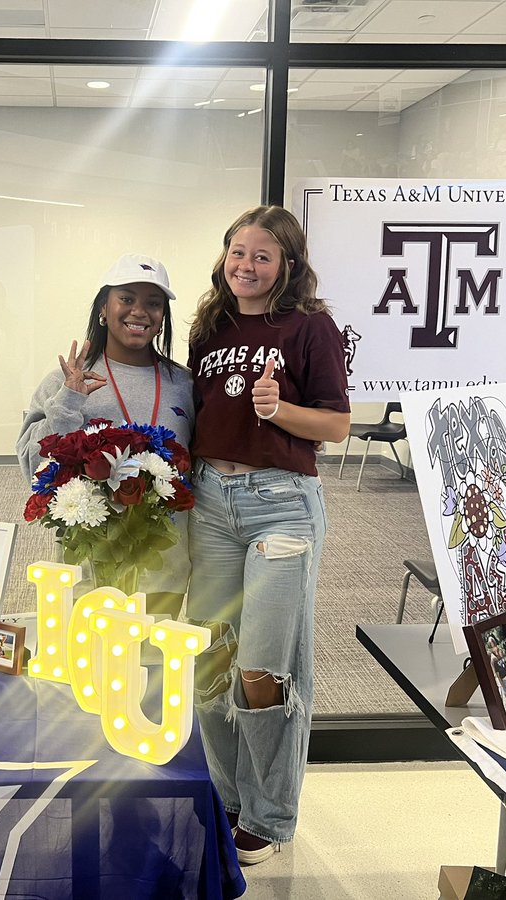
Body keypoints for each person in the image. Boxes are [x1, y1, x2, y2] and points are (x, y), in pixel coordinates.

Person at [186, 206, 351, 865]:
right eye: (237, 252)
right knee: (212, 659)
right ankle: (228, 798)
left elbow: (336, 426)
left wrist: (278, 410)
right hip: (209, 501)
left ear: (287, 264)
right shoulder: (211, 325)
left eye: (262, 255)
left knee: (263, 668)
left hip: (280, 505)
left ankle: (269, 815)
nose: (246, 266)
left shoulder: (311, 326)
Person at [17, 253, 195, 618]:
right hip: (88, 567)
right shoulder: (67, 380)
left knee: (154, 653)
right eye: (126, 298)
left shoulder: (184, 384)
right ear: (103, 308)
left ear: (163, 317)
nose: (139, 311)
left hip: (164, 568)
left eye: (153, 303)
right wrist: (69, 401)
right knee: (88, 652)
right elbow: (32, 465)